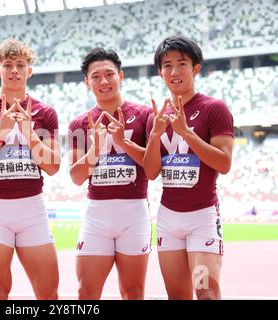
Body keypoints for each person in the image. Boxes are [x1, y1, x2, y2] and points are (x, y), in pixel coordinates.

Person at [0, 38, 61, 300]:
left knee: (48, 291)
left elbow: (53, 166)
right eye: (8, 65)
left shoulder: (46, 112)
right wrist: (1, 133)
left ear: (30, 70)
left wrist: (30, 134)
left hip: (33, 208)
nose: (15, 70)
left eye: (21, 65)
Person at [143, 35, 234, 300]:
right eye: (167, 65)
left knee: (206, 291)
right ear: (160, 73)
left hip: (202, 217)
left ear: (195, 67)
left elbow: (224, 163)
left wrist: (188, 134)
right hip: (168, 218)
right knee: (178, 295)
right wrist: (155, 135)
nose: (174, 71)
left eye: (181, 63)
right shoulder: (156, 117)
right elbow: (150, 173)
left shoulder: (214, 108)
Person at [68, 48, 152, 300]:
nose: (103, 81)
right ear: (87, 82)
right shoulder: (79, 123)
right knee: (87, 292)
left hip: (134, 213)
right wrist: (95, 147)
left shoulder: (145, 115)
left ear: (121, 76)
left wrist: (123, 142)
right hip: (97, 215)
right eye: (95, 76)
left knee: (133, 292)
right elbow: (76, 176)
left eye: (109, 74)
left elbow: (152, 168)